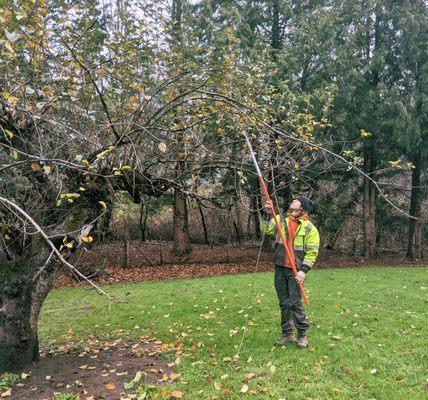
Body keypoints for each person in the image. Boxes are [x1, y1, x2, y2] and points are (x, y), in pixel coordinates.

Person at [260, 195, 320, 348]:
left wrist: (303, 271)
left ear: (302, 208)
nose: (293, 200)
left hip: (296, 271)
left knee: (294, 303)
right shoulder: (280, 219)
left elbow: (312, 252)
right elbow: (266, 229)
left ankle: (302, 335)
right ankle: (287, 334)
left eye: (297, 200)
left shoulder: (309, 228)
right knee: (284, 303)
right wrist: (267, 213)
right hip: (280, 268)